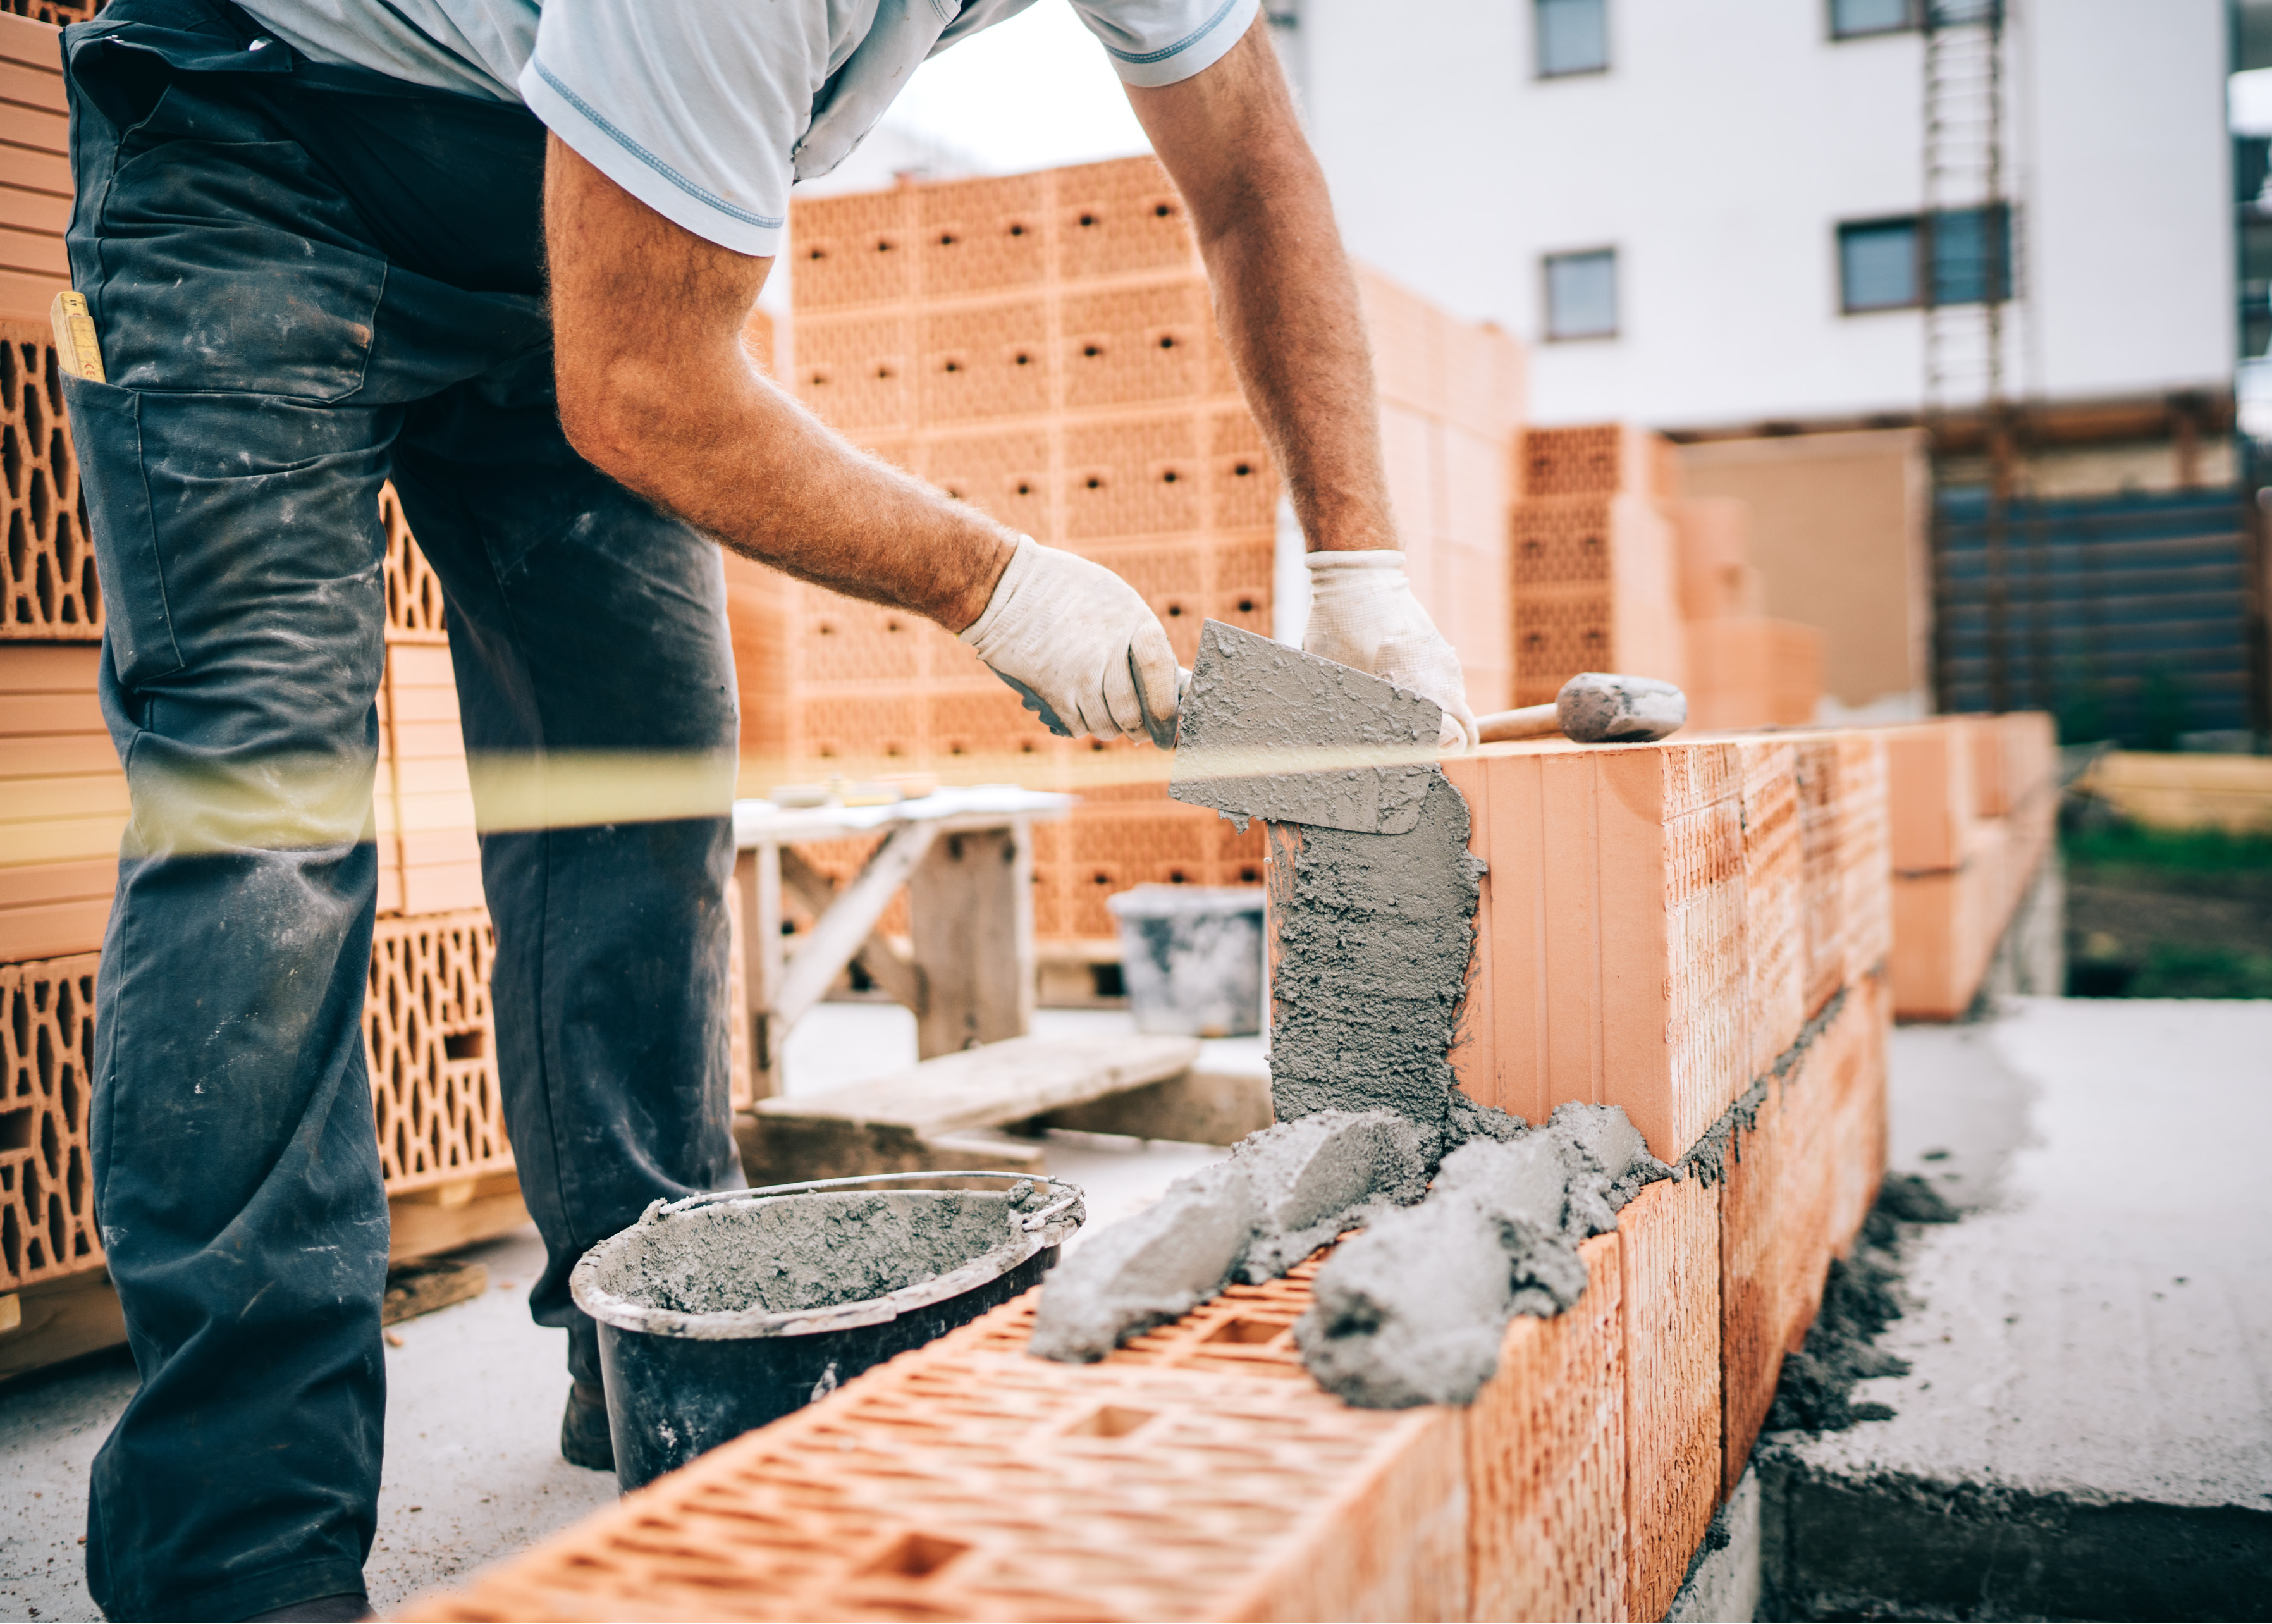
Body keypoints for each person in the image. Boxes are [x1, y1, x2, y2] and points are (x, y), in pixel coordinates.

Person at [55, 0, 1475, 1617]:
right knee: (264, 831)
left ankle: (652, 1341)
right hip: (260, 152)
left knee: (640, 781)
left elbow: (1250, 176)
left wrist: (1361, 568)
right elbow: (644, 385)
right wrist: (993, 582)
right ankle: (238, 1541)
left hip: (562, 205)